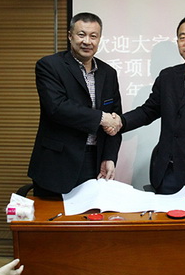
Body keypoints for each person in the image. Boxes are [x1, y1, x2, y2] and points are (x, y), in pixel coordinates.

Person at [108, 16, 185, 198]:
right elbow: (148, 111)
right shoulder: (167, 77)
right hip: (167, 173)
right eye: (182, 37)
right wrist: (120, 121)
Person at [28, 12, 122, 196]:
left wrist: (109, 157)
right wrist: (101, 118)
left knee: (90, 213)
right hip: (57, 164)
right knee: (54, 213)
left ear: (99, 39)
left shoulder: (108, 73)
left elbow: (115, 118)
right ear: (70, 36)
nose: (87, 41)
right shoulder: (49, 66)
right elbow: (57, 108)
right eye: (81, 34)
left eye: (93, 36)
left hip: (95, 163)